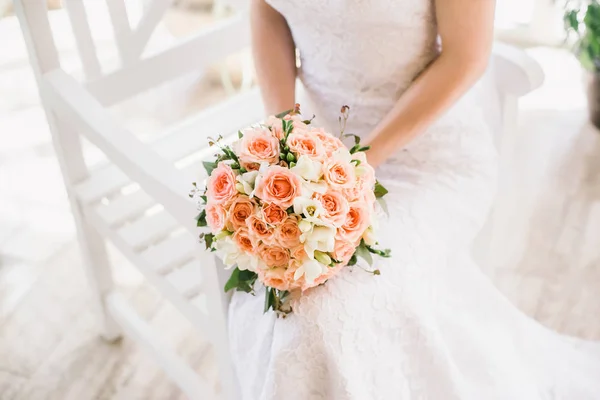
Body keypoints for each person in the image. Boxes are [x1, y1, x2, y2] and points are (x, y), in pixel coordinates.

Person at [227, 0, 600, 398]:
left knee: (316, 312)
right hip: (320, 157)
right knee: (277, 301)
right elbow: (268, 11)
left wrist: (352, 168)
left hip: (429, 162)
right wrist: (286, 140)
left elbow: (466, 57)